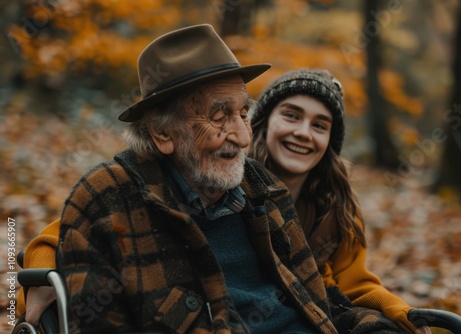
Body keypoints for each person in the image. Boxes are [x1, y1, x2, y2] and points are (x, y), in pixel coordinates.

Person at [15, 24, 403, 333]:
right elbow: (65, 237)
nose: (242, 135)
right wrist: (39, 274)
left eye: (243, 113)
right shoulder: (109, 201)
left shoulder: (265, 189)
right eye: (220, 117)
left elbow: (320, 300)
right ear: (162, 134)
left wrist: (385, 323)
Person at [248, 69, 431, 334]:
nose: (303, 132)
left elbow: (351, 283)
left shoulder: (337, 208)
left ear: (330, 142)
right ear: (264, 122)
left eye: (319, 125)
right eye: (291, 115)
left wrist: (395, 307)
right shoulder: (231, 189)